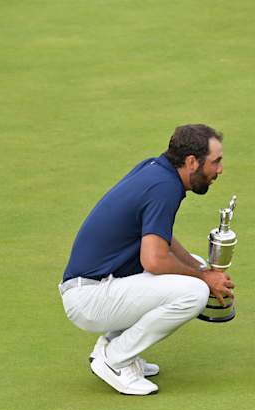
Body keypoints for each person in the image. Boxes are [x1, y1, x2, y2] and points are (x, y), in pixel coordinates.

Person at [58, 124, 235, 395]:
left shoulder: (156, 170)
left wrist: (201, 268)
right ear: (191, 162)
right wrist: (204, 278)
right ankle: (116, 359)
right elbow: (153, 260)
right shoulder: (165, 188)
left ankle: (111, 346)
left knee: (192, 266)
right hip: (89, 299)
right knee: (194, 292)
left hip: (94, 288)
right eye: (216, 162)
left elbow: (161, 238)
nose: (220, 170)